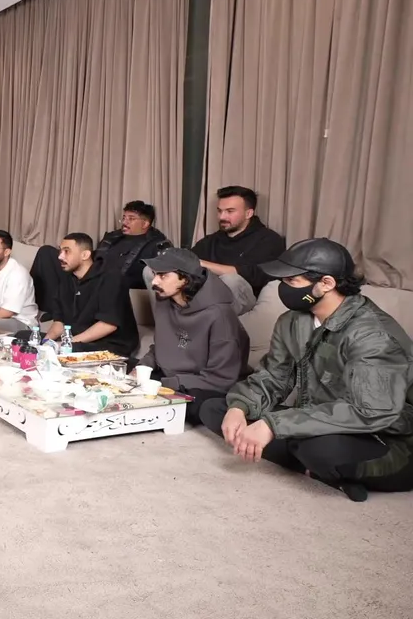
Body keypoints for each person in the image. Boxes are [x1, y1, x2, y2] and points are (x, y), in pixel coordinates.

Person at [200, 239, 413, 502]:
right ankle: (322, 472)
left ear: (326, 283)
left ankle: (319, 465)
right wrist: (240, 407)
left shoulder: (372, 335)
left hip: (384, 438)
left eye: (291, 281)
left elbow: (369, 411)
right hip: (316, 419)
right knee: (216, 409)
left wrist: (274, 425)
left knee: (320, 449)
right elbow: (273, 377)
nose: (282, 287)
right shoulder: (291, 321)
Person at [138, 248, 249, 425]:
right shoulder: (164, 300)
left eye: (163, 275)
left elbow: (221, 378)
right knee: (119, 372)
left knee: (200, 408)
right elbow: (162, 345)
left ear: (186, 278)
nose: (155, 282)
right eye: (155, 274)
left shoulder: (220, 315)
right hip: (170, 377)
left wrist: (167, 383)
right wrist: (142, 367)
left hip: (205, 385)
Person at [41, 232, 139, 357]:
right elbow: (59, 322)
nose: (60, 256)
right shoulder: (66, 279)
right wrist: (44, 343)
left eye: (67, 251)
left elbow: (108, 325)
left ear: (85, 255)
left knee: (66, 351)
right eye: (60, 251)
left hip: (109, 344)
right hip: (76, 340)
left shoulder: (111, 278)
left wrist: (66, 344)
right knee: (23, 337)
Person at [191, 185, 287, 304]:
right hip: (208, 300)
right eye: (219, 211)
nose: (222, 217)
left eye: (230, 211)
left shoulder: (269, 240)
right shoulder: (211, 241)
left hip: (250, 300)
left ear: (248, 213)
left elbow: (254, 275)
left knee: (231, 280)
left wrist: (200, 263)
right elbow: (187, 259)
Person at [94, 201, 172, 290]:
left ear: (145, 224)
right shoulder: (111, 238)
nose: (124, 222)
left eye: (131, 219)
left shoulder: (159, 245)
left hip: (131, 292)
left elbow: (162, 276)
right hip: (98, 287)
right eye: (124, 218)